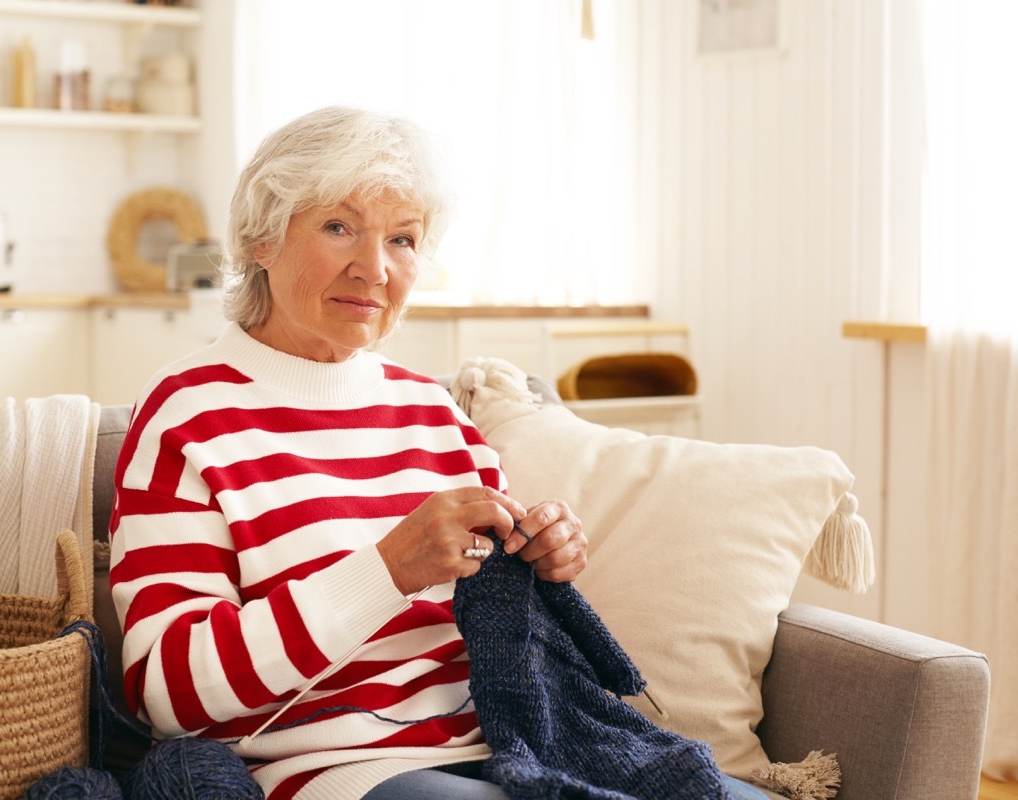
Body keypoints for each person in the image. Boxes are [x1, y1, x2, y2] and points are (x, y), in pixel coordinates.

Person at [109, 106, 767, 800]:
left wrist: (547, 562)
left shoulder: (435, 410)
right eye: (339, 228)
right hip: (340, 769)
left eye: (402, 239)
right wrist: (386, 570)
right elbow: (168, 691)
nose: (374, 268)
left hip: (519, 743)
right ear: (261, 239)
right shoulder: (188, 415)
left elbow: (503, 608)